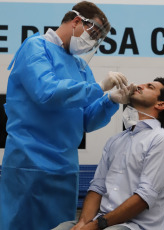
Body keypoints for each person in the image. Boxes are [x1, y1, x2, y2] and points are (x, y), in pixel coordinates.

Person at [0, 2, 135, 230]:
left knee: (60, 226)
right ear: (76, 21)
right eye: (92, 34)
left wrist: (110, 100)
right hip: (29, 162)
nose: (91, 42)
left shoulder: (80, 66)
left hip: (65, 168)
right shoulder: (35, 47)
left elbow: (86, 120)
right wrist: (101, 86)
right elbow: (47, 92)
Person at [53, 77, 164, 230]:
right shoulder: (115, 141)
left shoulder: (161, 140)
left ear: (161, 104)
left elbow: (144, 197)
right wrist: (83, 223)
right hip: (101, 222)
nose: (139, 85)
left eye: (150, 87)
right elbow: (97, 188)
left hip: (137, 226)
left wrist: (95, 225)